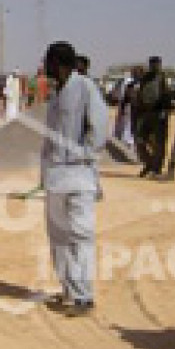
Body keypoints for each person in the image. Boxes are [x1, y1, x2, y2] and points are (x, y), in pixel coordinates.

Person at [40, 41, 109, 316]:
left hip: (79, 174)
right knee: (58, 236)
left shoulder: (85, 88)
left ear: (58, 62)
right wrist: (43, 173)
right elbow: (49, 138)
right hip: (56, 176)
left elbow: (99, 128)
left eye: (48, 62)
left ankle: (84, 297)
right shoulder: (55, 96)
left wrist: (84, 154)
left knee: (81, 235)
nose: (45, 67)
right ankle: (68, 288)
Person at [134, 56, 171, 178]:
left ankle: (156, 169)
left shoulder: (163, 78)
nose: (155, 66)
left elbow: (167, 97)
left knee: (158, 143)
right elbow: (139, 94)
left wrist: (164, 112)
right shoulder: (145, 78)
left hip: (158, 114)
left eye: (157, 64)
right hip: (144, 114)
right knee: (139, 141)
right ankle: (149, 163)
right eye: (152, 64)